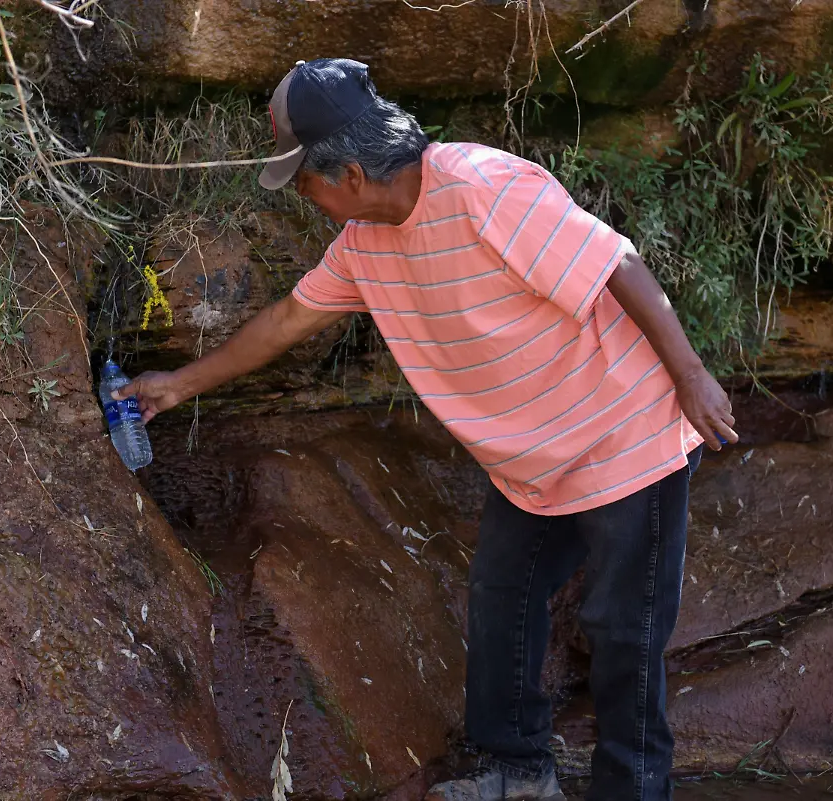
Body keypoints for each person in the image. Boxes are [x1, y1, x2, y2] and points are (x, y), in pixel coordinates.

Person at [114, 58, 738, 801]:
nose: (303, 197)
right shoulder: (363, 248)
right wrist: (176, 383)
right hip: (533, 465)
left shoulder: (483, 189)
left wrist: (692, 374)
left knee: (622, 630)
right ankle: (517, 774)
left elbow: (617, 262)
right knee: (503, 594)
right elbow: (285, 321)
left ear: (346, 173)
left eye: (304, 181)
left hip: (624, 434)